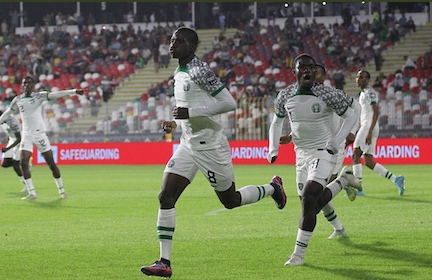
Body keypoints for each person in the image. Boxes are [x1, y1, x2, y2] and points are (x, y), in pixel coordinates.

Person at [140, 27, 287, 278]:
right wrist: (177, 123)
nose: (172, 44)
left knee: (230, 201)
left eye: (178, 41)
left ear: (192, 46)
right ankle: (164, 262)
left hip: (211, 147)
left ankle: (273, 188)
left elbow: (229, 103)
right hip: (188, 144)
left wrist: (190, 114)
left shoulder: (200, 70)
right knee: (165, 196)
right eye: (172, 40)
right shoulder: (179, 70)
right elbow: (188, 107)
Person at [267, 54, 362, 265]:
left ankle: (298, 256)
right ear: (295, 72)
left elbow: (352, 115)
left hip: (324, 152)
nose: (307, 71)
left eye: (311, 67)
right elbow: (276, 123)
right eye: (303, 67)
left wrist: (338, 140)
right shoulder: (285, 96)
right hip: (300, 155)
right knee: (311, 205)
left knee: (310, 197)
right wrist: (273, 148)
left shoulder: (327, 94)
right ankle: (344, 181)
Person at [0, 76, 85, 200]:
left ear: (33, 85)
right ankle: (32, 193)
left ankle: (61, 190)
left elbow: (55, 95)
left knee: (51, 164)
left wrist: (73, 91)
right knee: (23, 162)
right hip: (26, 135)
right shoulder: (17, 99)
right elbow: (7, 113)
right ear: (22, 86)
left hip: (40, 135)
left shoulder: (38, 96)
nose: (26, 85)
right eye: (24, 83)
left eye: (29, 83)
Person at [352, 70, 405, 196]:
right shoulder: (363, 93)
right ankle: (396, 179)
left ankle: (358, 188)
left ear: (367, 80)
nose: (358, 79)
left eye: (361, 77)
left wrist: (368, 132)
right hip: (368, 126)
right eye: (357, 76)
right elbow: (366, 113)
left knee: (355, 155)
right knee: (369, 161)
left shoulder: (370, 92)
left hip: (369, 127)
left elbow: (375, 112)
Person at [0, 111, 27, 191]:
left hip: (20, 141)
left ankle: (27, 185)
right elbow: (9, 132)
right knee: (4, 164)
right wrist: (8, 139)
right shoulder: (2, 121)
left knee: (15, 166)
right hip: (12, 140)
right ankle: (21, 163)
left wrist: (8, 148)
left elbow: (19, 138)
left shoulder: (12, 122)